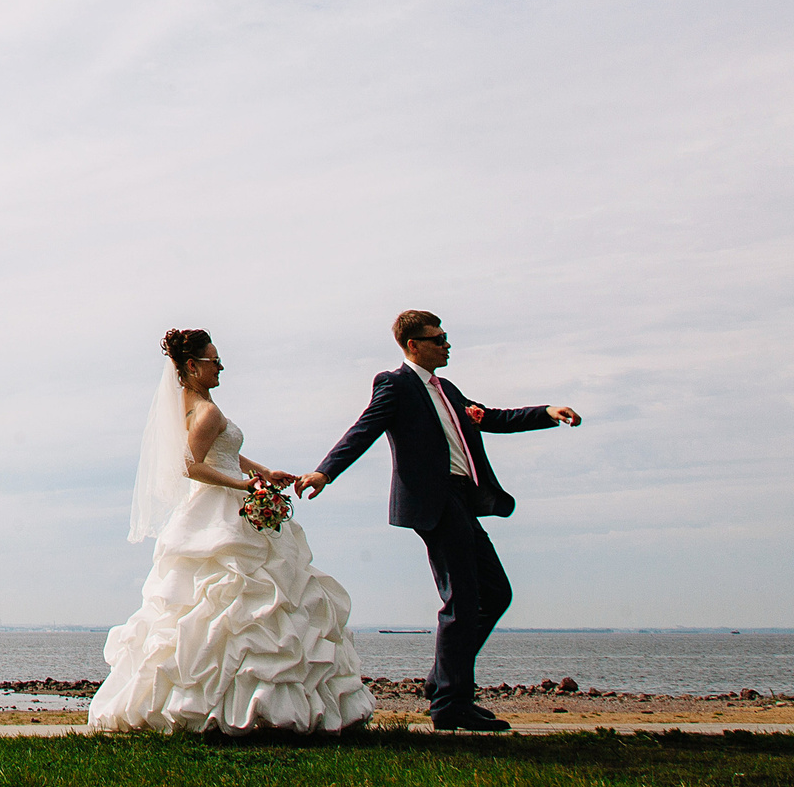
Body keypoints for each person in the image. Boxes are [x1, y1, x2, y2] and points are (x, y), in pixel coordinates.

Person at [295, 310, 582, 732]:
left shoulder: (446, 389)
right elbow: (365, 428)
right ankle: (450, 704)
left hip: (463, 500)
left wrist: (547, 412)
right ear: (414, 345)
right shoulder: (395, 384)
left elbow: (492, 417)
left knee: (496, 593)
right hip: (434, 501)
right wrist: (325, 471)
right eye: (439, 338)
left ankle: (441, 682)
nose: (447, 344)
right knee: (462, 599)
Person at [89, 328, 374, 734]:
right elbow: (191, 465)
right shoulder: (206, 411)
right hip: (222, 508)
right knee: (244, 598)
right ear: (192, 366)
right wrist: (243, 486)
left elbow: (224, 452)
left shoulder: (195, 407)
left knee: (222, 601)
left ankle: (211, 702)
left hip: (211, 506)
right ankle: (256, 705)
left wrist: (260, 472)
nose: (221, 366)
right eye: (214, 360)